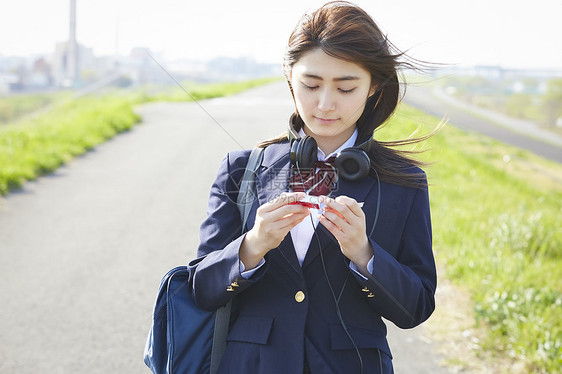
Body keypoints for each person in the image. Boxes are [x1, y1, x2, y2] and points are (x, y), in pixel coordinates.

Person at [188, 2, 437, 373]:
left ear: (373, 89)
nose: (325, 104)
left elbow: (414, 308)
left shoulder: (404, 181)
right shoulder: (240, 169)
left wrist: (364, 253)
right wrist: (253, 245)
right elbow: (201, 289)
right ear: (290, 78)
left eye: (346, 87)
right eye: (311, 85)